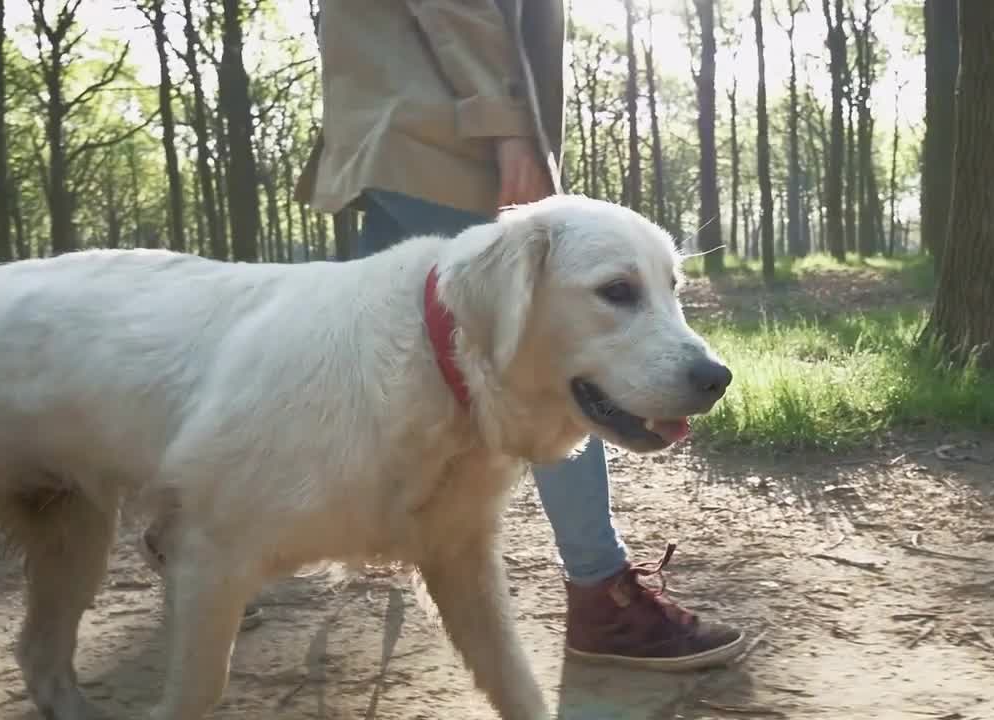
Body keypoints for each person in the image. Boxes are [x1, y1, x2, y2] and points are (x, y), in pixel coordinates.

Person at [290, 0, 745, 671]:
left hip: (386, 128)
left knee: (352, 358)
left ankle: (207, 511)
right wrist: (509, 130)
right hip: (447, 130)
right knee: (545, 355)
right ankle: (600, 595)